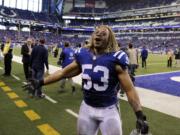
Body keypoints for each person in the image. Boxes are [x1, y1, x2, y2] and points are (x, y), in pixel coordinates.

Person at [25, 25, 149, 135]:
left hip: (109, 109)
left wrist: (139, 115)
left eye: (103, 33)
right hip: (87, 108)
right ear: (92, 36)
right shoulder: (83, 54)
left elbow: (129, 89)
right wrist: (40, 82)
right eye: (97, 32)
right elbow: (63, 72)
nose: (99, 34)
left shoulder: (116, 58)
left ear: (109, 39)